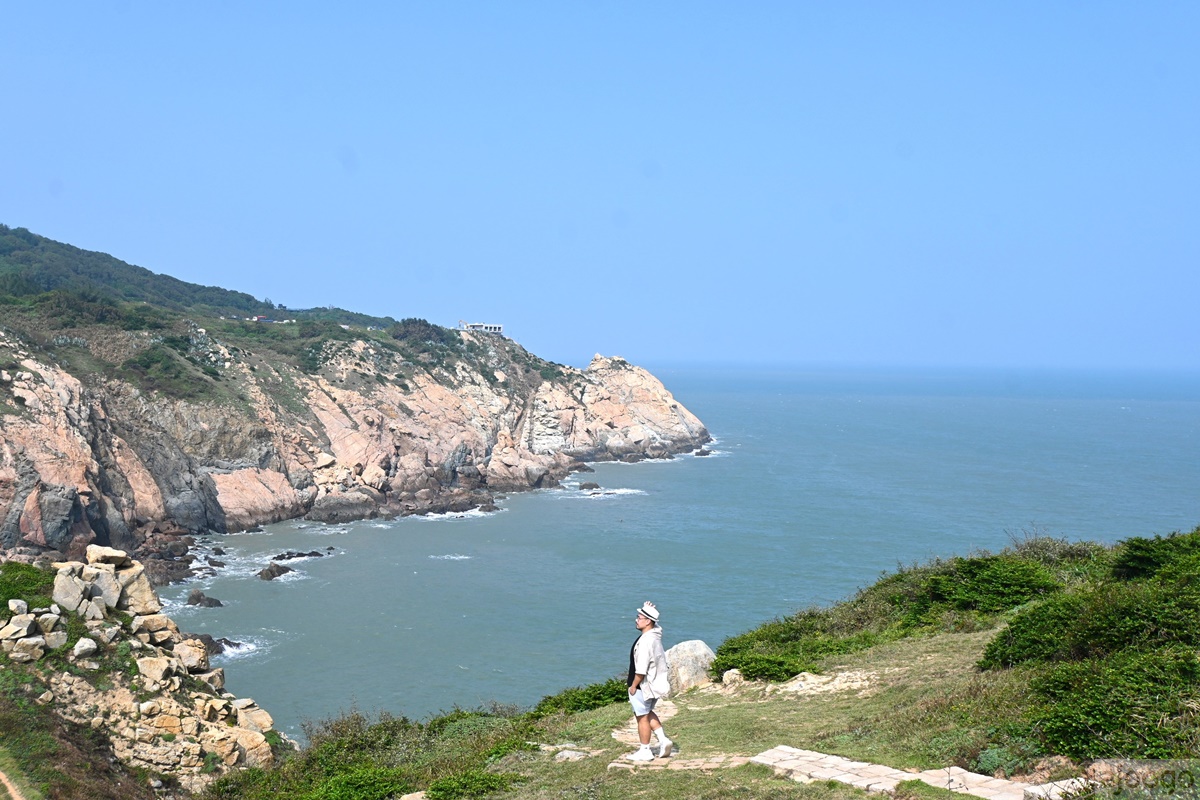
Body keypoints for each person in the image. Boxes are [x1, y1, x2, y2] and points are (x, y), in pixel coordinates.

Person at [626, 601, 672, 761]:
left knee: (642, 717)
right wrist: (650, 608)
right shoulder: (654, 635)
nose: (636, 620)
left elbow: (641, 670)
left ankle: (645, 750)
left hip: (642, 686)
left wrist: (633, 685)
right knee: (646, 712)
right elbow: (657, 626)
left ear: (648, 621)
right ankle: (663, 740)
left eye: (639, 617)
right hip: (653, 684)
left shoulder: (646, 641)